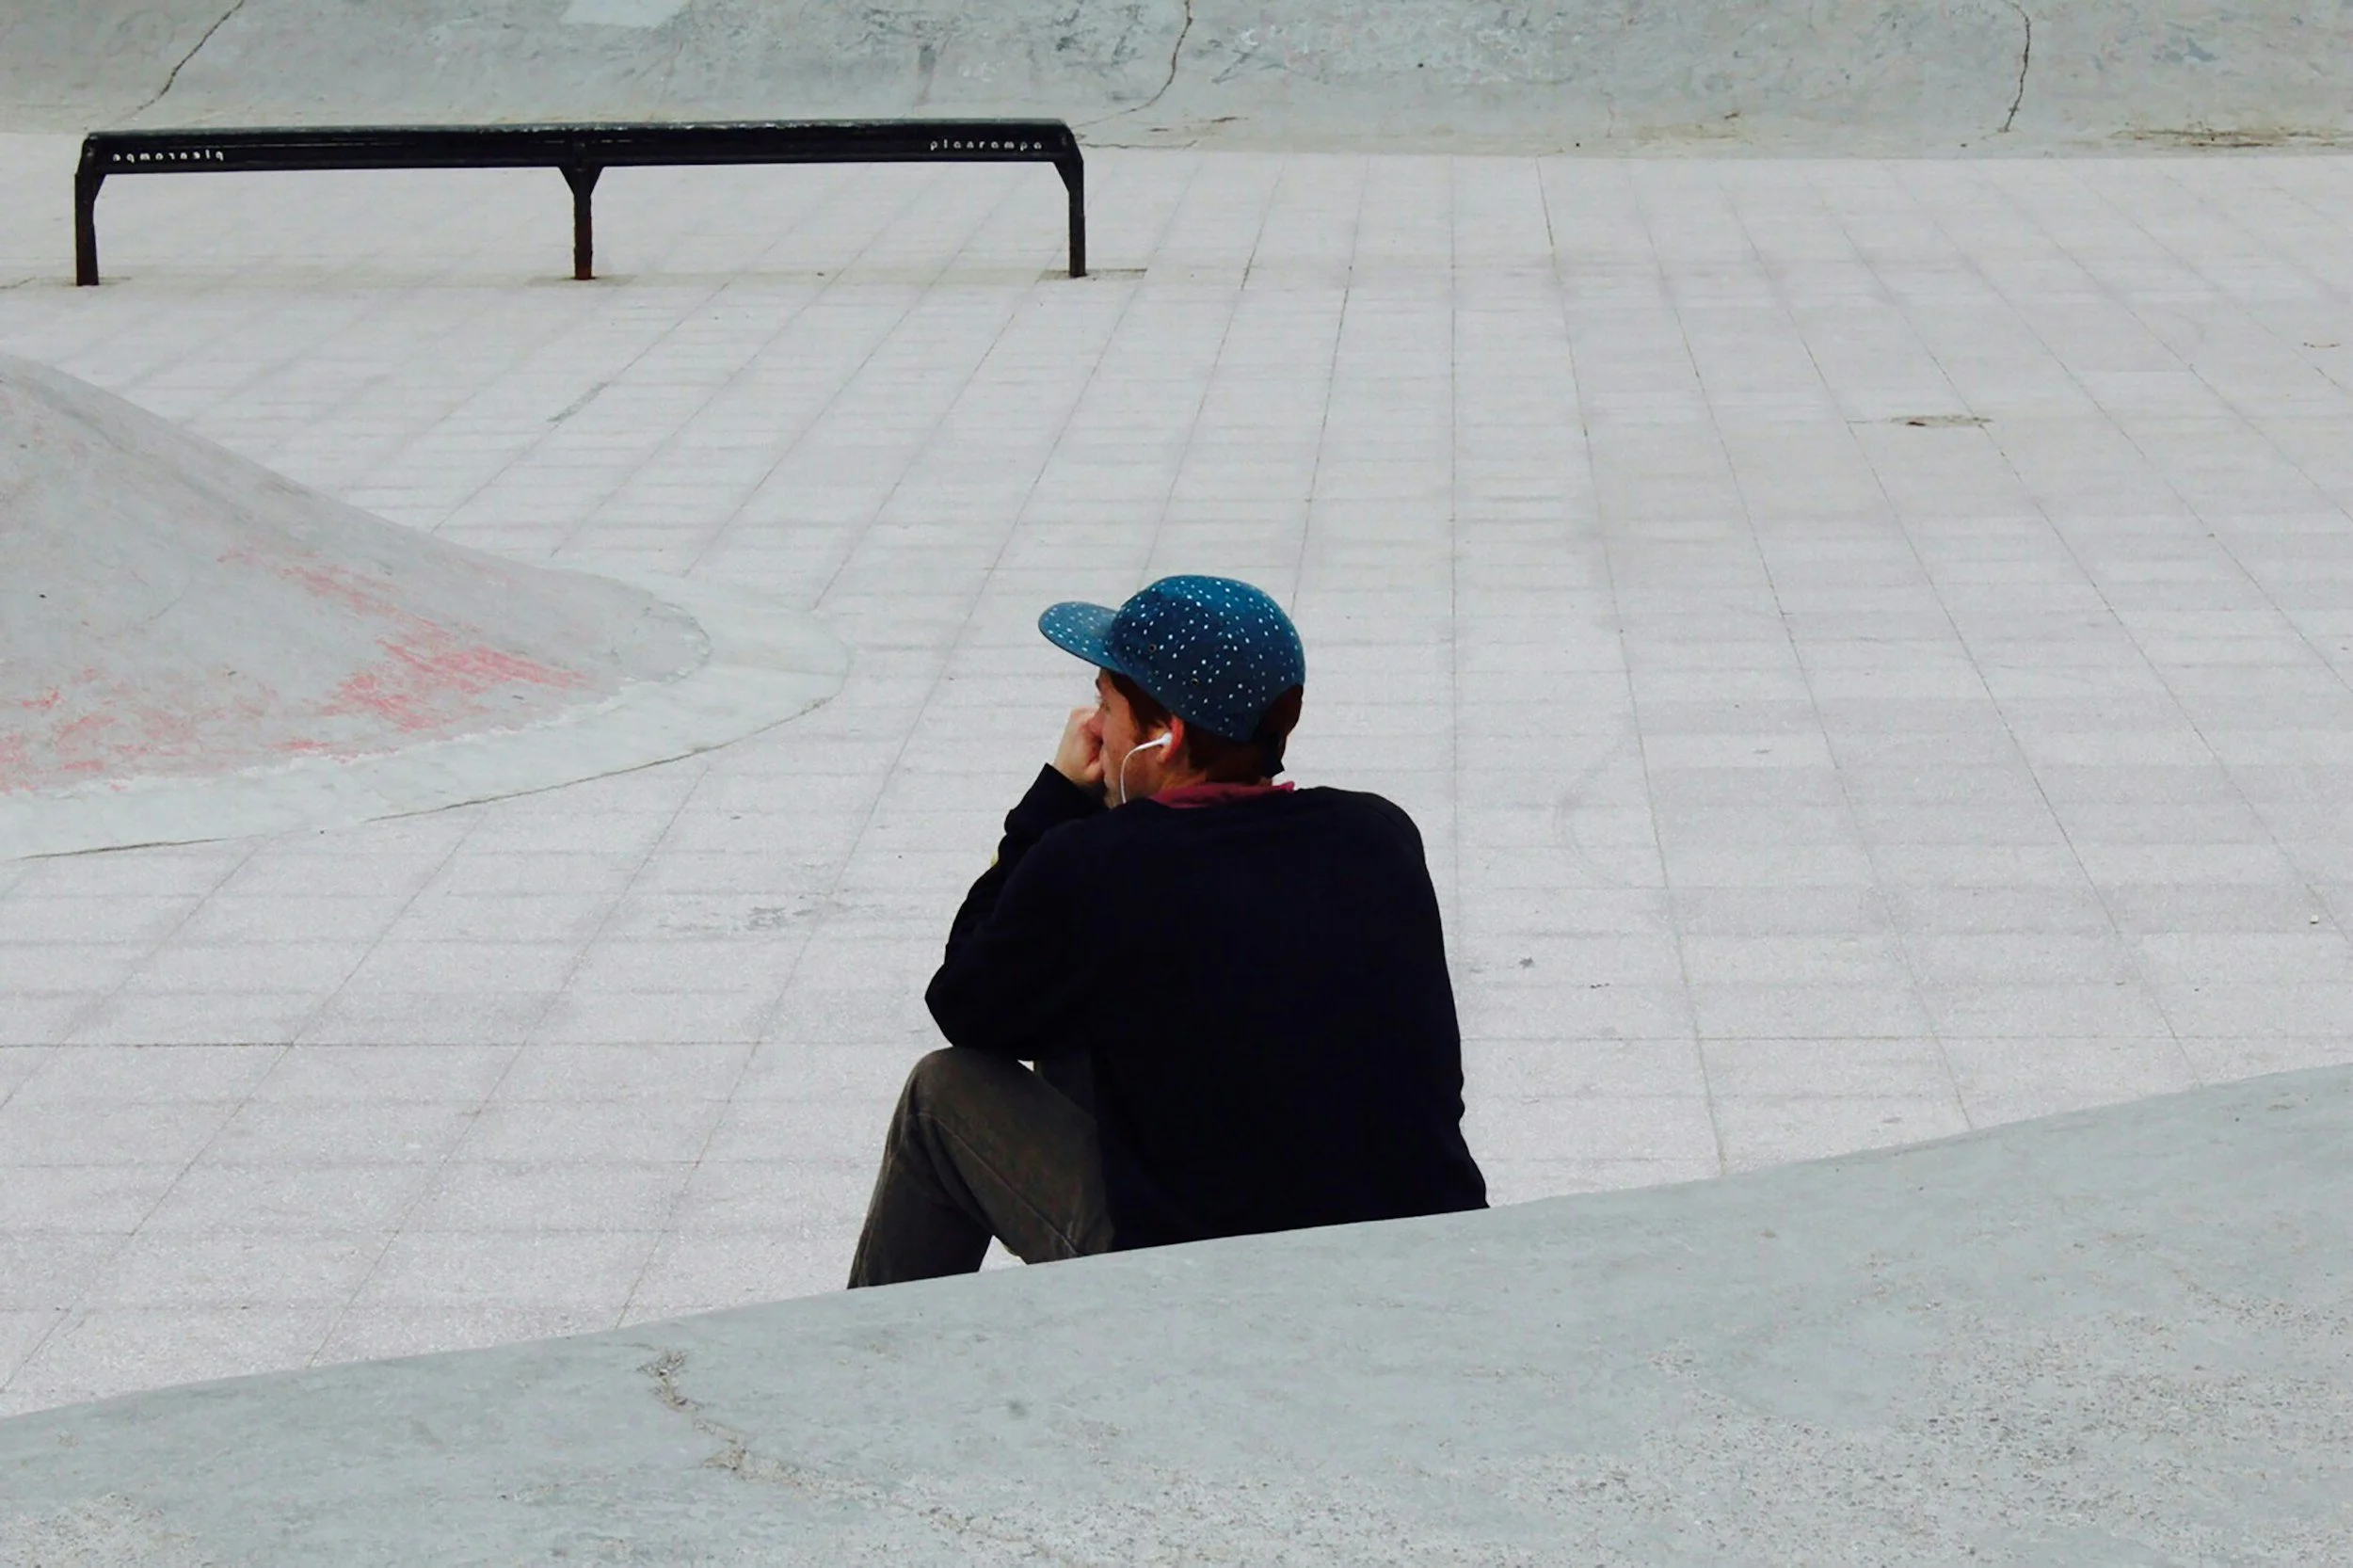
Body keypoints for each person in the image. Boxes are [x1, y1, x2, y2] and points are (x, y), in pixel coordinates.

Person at [847, 574, 1485, 1288]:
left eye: (1105, 701)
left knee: (943, 1094)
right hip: (1422, 1245)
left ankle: (866, 1370)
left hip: (1210, 1280)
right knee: (1080, 1028)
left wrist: (1056, 798)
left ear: (1164, 734)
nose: (1094, 724)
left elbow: (965, 1005)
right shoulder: (1378, 833)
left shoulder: (1096, 865)